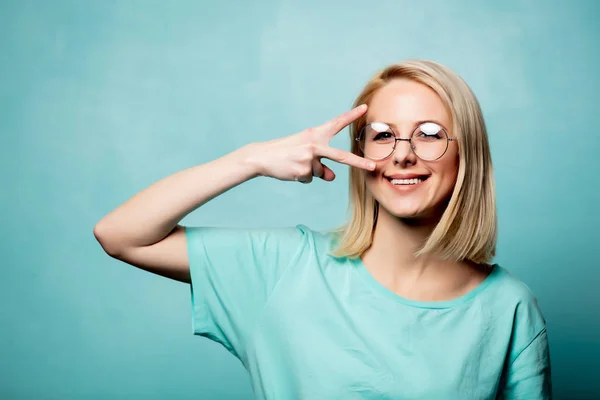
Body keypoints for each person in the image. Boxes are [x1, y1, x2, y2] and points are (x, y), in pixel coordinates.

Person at [94, 59, 552, 399]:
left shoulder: (508, 308)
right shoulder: (284, 269)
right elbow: (121, 234)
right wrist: (251, 159)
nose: (403, 155)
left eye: (430, 133)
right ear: (359, 153)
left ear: (465, 153)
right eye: (383, 134)